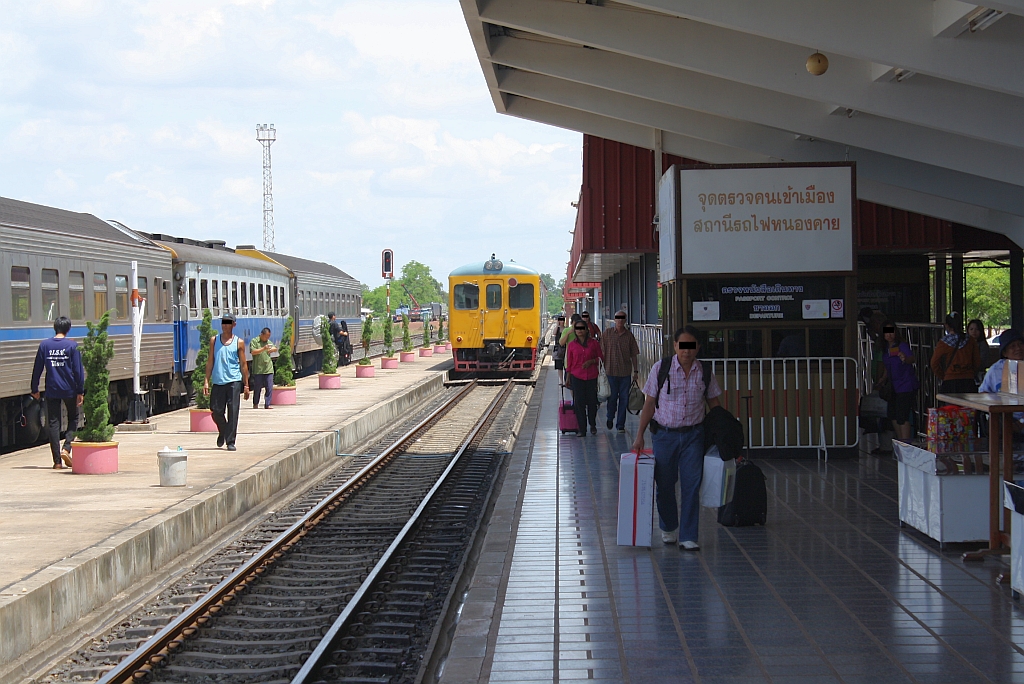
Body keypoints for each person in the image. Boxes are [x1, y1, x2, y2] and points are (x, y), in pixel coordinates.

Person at [631, 326, 722, 550]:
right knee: (665, 484)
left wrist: (723, 433)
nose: (686, 351)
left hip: (694, 436)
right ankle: (669, 527)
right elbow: (649, 403)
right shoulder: (661, 368)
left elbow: (714, 404)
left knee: (691, 485)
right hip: (664, 435)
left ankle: (689, 536)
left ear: (698, 347)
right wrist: (640, 435)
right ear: (675, 346)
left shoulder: (705, 371)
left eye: (691, 346)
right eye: (682, 346)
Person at [30, 316, 84, 469]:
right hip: (69, 389)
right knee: (74, 418)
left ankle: (57, 462)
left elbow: (37, 368)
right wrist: (80, 390)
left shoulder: (45, 345)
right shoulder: (72, 346)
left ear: (55, 328)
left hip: (52, 389)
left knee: (53, 423)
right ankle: (66, 448)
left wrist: (34, 389)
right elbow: (78, 371)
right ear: (68, 329)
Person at [204, 314, 250, 451]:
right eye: (223, 323)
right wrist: (206, 381)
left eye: (228, 323)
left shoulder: (238, 342)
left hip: (233, 381)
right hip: (218, 381)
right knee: (216, 411)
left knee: (233, 411)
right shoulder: (214, 340)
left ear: (234, 325)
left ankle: (230, 441)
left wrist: (246, 384)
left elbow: (243, 364)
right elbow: (210, 361)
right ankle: (223, 430)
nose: (225, 325)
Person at [877, 324, 918, 442]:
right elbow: (887, 366)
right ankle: (901, 441)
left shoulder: (902, 345)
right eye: (887, 332)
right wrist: (882, 379)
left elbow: (912, 358)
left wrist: (905, 358)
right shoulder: (885, 348)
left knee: (902, 415)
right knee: (893, 414)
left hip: (905, 384)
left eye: (891, 332)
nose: (889, 335)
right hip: (893, 386)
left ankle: (905, 444)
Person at [601, 310, 639, 432]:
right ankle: (610, 416)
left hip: (625, 372)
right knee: (612, 397)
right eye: (618, 318)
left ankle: (620, 424)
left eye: (622, 318)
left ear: (625, 320)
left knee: (624, 399)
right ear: (614, 319)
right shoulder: (607, 334)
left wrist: (636, 371)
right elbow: (601, 352)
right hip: (610, 371)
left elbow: (634, 354)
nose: (620, 320)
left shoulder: (629, 336)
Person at [564, 318, 603, 435]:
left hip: (591, 376)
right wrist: (568, 378)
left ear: (586, 330)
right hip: (577, 376)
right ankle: (582, 429)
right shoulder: (572, 345)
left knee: (592, 402)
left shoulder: (594, 343)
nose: (579, 330)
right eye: (577, 328)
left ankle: (592, 424)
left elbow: (601, 358)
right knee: (579, 403)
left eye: (582, 328)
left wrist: (591, 361)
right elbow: (570, 362)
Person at [930, 312, 980, 394]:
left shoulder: (943, 343)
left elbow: (934, 363)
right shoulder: (970, 340)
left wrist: (944, 376)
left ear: (947, 325)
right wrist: (970, 372)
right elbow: (977, 361)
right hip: (968, 380)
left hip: (950, 380)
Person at [249, 327, 276, 409]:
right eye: (266, 336)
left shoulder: (268, 342)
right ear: (262, 334)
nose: (267, 338)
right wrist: (263, 348)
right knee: (257, 387)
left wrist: (273, 349)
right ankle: (255, 403)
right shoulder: (254, 341)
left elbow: (275, 348)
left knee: (269, 386)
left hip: (268, 368)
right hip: (258, 369)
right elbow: (253, 352)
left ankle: (267, 404)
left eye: (268, 337)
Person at [968, 318, 996, 383]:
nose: (973, 331)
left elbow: (983, 361)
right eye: (971, 329)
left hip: (979, 375)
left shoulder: (983, 345)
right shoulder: (965, 344)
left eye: (977, 329)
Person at [552, 315, 567, 386]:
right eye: (560, 320)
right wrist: (557, 325)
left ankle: (566, 380)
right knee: (559, 366)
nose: (562, 322)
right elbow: (554, 333)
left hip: (565, 348)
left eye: (563, 320)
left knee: (566, 365)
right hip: (558, 349)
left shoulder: (566, 329)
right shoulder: (557, 329)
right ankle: (561, 380)